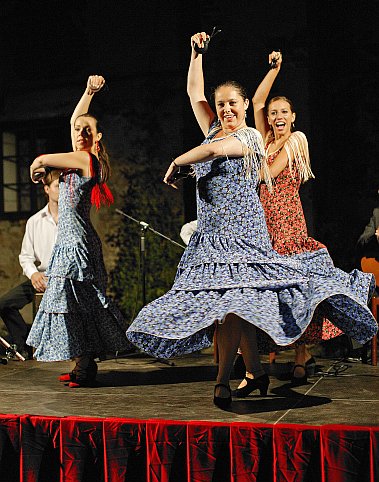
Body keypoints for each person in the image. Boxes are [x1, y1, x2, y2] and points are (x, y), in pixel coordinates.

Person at [125, 31, 377, 410]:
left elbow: (214, 150)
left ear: (245, 106)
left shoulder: (250, 139)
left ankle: (223, 380)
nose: (225, 109)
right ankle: (255, 370)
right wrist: (197, 54)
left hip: (242, 238)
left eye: (232, 104)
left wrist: (180, 160)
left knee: (230, 309)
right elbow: (194, 93)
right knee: (232, 308)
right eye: (220, 104)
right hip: (212, 239)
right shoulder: (211, 126)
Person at [234, 51, 348, 392]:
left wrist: (262, 151)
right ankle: (271, 354)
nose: (277, 116)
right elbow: (255, 100)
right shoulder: (263, 140)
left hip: (288, 225)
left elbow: (269, 172)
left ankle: (301, 355)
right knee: (273, 294)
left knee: (296, 290)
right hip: (263, 226)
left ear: (293, 117)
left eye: (284, 112)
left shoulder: (297, 141)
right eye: (273, 113)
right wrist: (275, 70)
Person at [26, 75, 131, 387]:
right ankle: (80, 363)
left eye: (87, 130)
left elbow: (44, 158)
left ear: (97, 136)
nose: (80, 132)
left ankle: (85, 366)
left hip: (76, 244)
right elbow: (75, 119)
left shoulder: (87, 159)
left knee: (79, 303)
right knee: (72, 304)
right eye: (77, 130)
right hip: (69, 241)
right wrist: (88, 92)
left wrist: (38, 163)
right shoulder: (79, 159)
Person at [0, 169, 60, 359]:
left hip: (65, 279)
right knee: (4, 304)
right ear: (47, 189)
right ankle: (23, 345)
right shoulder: (35, 221)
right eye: (58, 186)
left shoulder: (72, 220)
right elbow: (25, 256)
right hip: (41, 277)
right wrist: (34, 274)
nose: (62, 191)